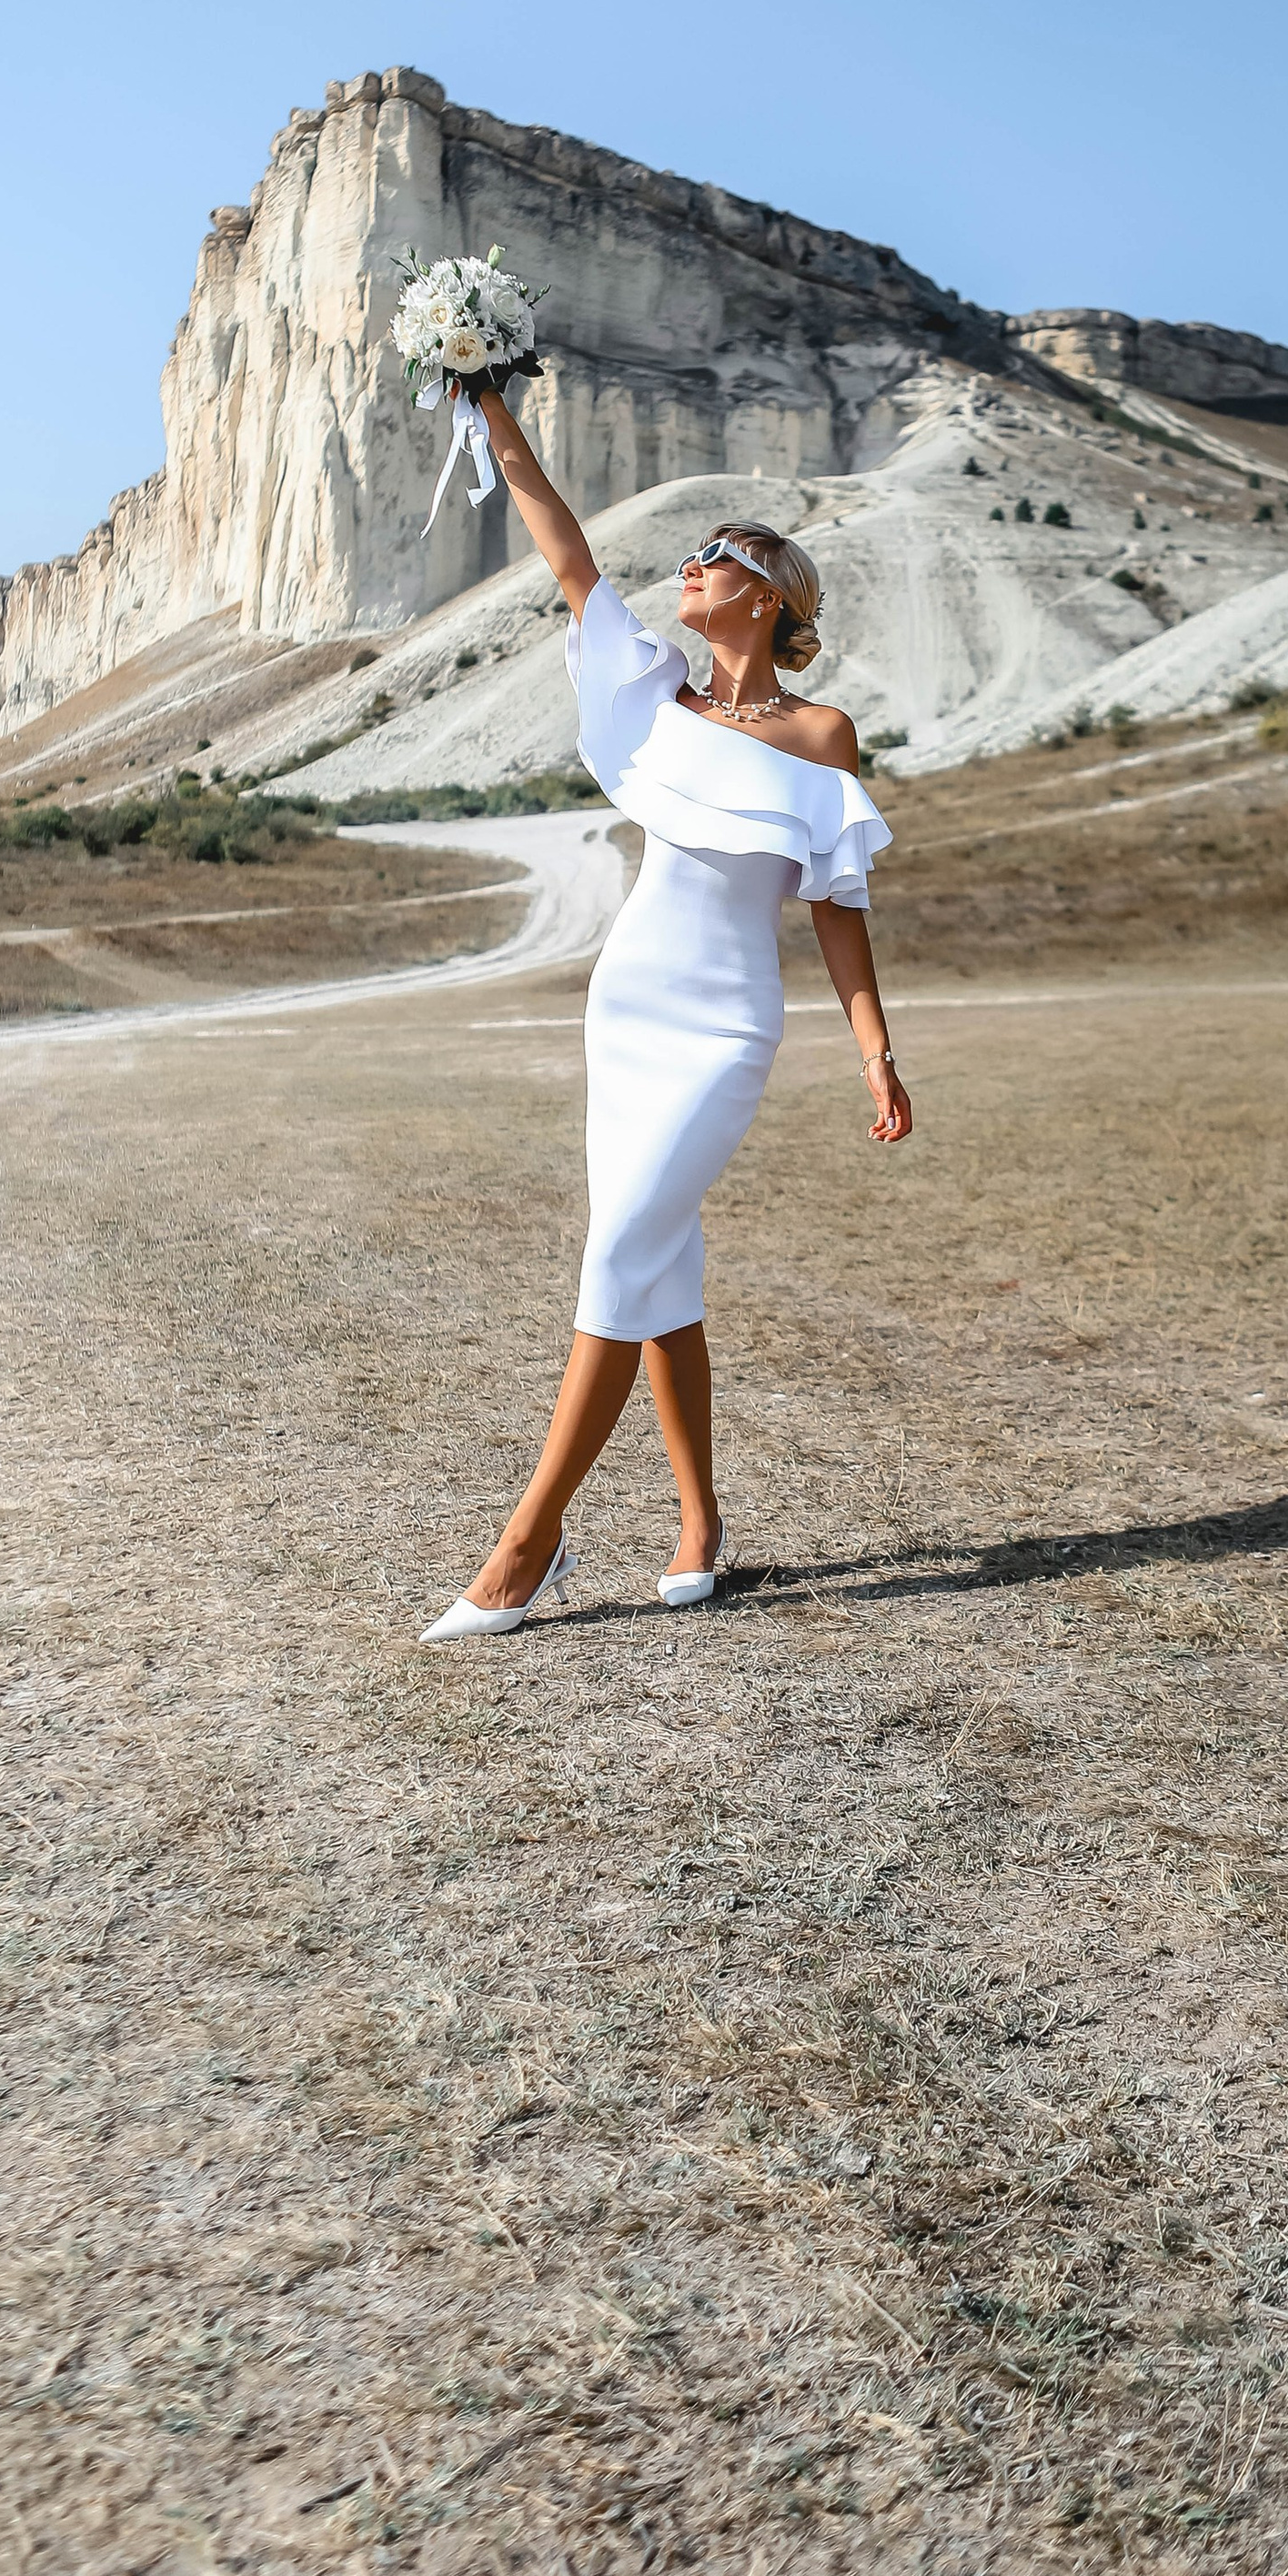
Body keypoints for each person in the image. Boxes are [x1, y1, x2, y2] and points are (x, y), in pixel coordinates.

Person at [422, 378, 913, 1640]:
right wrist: (498, 422)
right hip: (626, 1002)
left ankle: (530, 1542)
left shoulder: (819, 736)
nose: (688, 569)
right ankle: (699, 1522)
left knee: (620, 1250)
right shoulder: (659, 699)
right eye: (693, 559)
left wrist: (874, 1049)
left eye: (714, 559)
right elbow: (568, 553)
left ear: (769, 593)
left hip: (727, 1022)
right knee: (657, 1258)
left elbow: (835, 901)